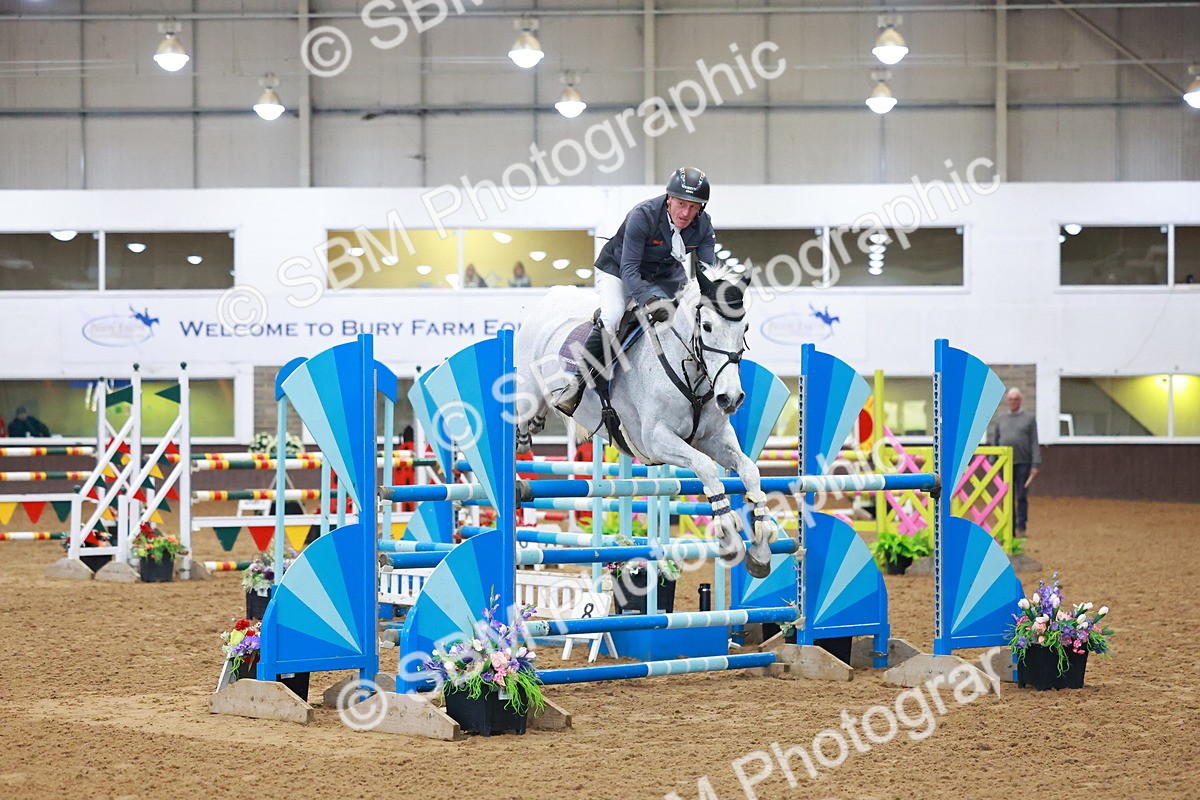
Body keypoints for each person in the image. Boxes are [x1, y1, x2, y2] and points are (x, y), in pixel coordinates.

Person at [555, 166, 716, 415]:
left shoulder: (703, 226)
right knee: (614, 316)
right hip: (619, 270)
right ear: (669, 198)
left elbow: (706, 273)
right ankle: (576, 383)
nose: (686, 213)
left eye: (694, 207)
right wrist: (648, 301)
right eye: (682, 204)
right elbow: (629, 269)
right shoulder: (644, 215)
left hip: (664, 274)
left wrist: (714, 299)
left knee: (686, 313)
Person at [989, 388, 1040, 536]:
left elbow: (1034, 442)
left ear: (1020, 401)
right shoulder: (1000, 420)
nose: (1013, 402)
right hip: (1004, 464)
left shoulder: (1029, 419)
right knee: (1006, 497)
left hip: (1023, 463)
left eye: (1015, 399)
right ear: (1007, 401)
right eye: (1010, 399)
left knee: (1021, 495)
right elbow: (995, 441)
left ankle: (1021, 526)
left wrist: (1036, 463)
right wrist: (993, 463)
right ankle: (1008, 527)